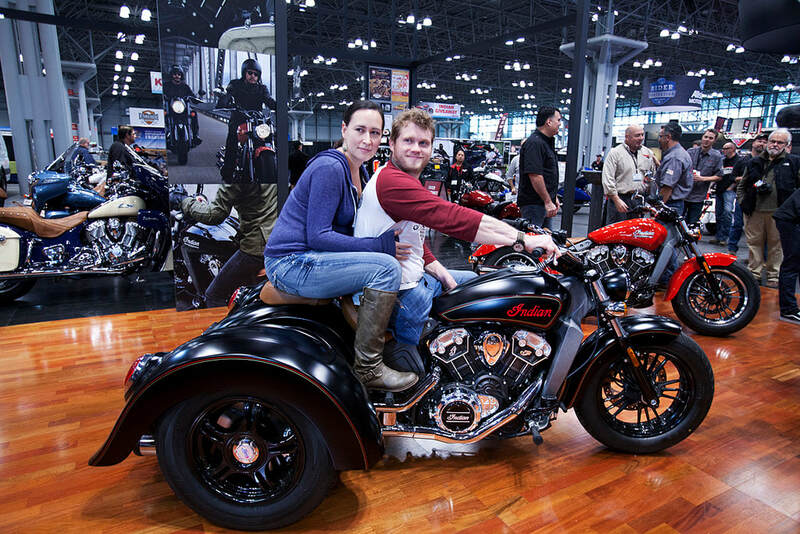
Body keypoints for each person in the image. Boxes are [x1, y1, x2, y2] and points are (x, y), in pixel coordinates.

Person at [354, 108, 559, 367]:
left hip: (412, 280)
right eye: (408, 141)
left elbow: (414, 241)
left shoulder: (400, 177)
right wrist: (522, 239)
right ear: (392, 144)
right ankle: (415, 371)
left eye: (423, 143)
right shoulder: (393, 182)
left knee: (485, 285)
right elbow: (452, 217)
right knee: (430, 362)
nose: (416, 149)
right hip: (399, 295)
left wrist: (443, 275)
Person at [263, 101, 415, 392]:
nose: (367, 139)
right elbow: (318, 236)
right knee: (386, 269)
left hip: (310, 258)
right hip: (291, 262)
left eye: (375, 133)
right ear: (344, 130)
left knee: (388, 264)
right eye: (360, 130)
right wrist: (378, 246)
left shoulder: (360, 170)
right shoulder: (330, 167)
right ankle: (369, 368)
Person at [177, 184, 277, 307]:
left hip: (257, 247)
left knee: (214, 295)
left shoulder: (237, 174)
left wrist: (184, 201)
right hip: (281, 240)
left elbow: (214, 214)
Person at [738, 128, 799, 288]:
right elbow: (742, 185)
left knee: (776, 246)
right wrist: (742, 202)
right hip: (754, 211)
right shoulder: (754, 162)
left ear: (787, 145)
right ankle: (754, 274)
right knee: (754, 244)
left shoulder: (794, 162)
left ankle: (773, 275)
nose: (775, 144)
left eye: (780, 142)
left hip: (780, 213)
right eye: (772, 141)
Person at [220, 58, 277, 182]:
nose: (253, 76)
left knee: (272, 138)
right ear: (244, 72)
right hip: (239, 119)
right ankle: (227, 173)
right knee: (232, 143)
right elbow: (228, 95)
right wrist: (224, 101)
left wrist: (280, 106)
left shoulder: (262, 88)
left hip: (256, 121)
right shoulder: (235, 84)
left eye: (256, 74)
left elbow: (268, 100)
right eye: (250, 73)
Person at [654, 122, 694, 284]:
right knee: (668, 243)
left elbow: (667, 187)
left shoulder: (675, 157)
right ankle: (668, 277)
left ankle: (669, 279)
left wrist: (658, 208)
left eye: (660, 136)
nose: (659, 139)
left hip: (670, 204)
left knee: (665, 244)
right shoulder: (679, 153)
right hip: (675, 204)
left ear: (668, 137)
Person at [601, 124, 657, 224]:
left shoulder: (647, 153)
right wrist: (616, 200)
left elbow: (652, 175)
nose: (641, 138)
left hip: (639, 200)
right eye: (637, 135)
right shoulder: (615, 153)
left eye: (642, 135)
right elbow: (608, 178)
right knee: (618, 230)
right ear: (627, 137)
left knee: (636, 230)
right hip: (620, 199)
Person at [519, 106, 562, 228]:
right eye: (558, 120)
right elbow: (535, 175)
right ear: (549, 122)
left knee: (545, 238)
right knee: (533, 238)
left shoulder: (545, 143)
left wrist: (553, 197)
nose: (560, 124)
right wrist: (548, 201)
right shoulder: (535, 143)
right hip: (534, 205)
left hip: (541, 203)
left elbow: (547, 174)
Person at [729, 133, 768, 254]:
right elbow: (732, 177)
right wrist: (746, 179)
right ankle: (731, 250)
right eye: (759, 141)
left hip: (761, 199)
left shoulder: (768, 162)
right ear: (753, 143)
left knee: (759, 229)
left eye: (765, 142)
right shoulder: (743, 160)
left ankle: (756, 255)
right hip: (744, 197)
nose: (762, 144)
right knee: (737, 224)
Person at [685, 129, 723, 226]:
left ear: (714, 141)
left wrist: (703, 179)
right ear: (702, 137)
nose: (707, 140)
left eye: (710, 138)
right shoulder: (690, 152)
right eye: (705, 137)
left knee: (692, 225)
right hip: (683, 194)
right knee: (679, 224)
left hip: (698, 196)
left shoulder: (716, 156)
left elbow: (719, 176)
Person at [774, 187, 800, 324]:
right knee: (792, 264)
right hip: (789, 220)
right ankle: (788, 310)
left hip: (791, 218)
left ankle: (790, 308)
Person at [711, 141, 741, 246]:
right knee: (718, 214)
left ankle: (724, 237)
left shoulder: (738, 161)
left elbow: (740, 176)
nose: (724, 151)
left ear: (732, 149)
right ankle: (718, 236)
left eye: (726, 148)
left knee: (727, 212)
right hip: (719, 189)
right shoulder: (722, 161)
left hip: (729, 191)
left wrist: (731, 187)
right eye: (723, 148)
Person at [163, 65, 201, 145]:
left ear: (181, 76)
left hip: (183, 109)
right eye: (175, 74)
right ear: (171, 75)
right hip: (170, 108)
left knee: (193, 114)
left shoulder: (185, 86)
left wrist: (196, 99)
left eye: (179, 74)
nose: (177, 76)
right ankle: (164, 134)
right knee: (163, 114)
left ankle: (195, 135)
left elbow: (192, 95)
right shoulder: (166, 86)